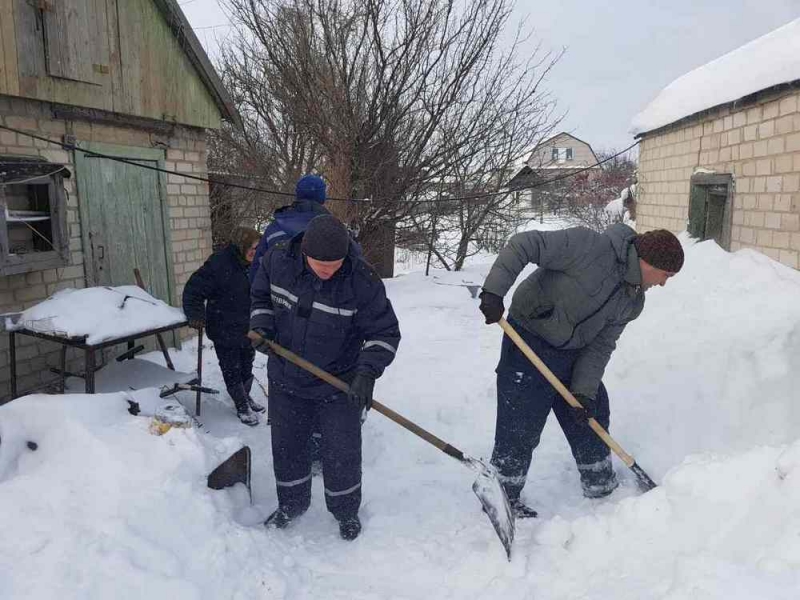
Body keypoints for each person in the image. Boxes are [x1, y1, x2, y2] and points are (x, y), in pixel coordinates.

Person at [478, 225, 683, 516]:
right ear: (649, 262)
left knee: (591, 412)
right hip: (529, 337)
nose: (663, 284)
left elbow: (601, 345)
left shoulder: (632, 300)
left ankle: (600, 484)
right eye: (666, 276)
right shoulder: (588, 246)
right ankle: (501, 494)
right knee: (521, 422)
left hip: (574, 350)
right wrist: (494, 291)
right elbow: (525, 243)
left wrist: (583, 392)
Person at [250, 214, 400, 540]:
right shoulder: (278, 261)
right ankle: (291, 505)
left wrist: (366, 374)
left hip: (338, 383)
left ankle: (345, 512)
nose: (328, 270)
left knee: (342, 453)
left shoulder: (361, 281)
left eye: (335, 264)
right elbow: (260, 296)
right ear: (304, 251)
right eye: (320, 263)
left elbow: (384, 333)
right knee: (287, 448)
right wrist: (262, 326)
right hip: (286, 378)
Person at [183, 227, 266, 426]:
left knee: (247, 364)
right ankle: (241, 405)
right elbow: (193, 289)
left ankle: (245, 397)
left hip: (247, 327)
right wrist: (195, 314)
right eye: (252, 248)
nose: (256, 252)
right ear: (241, 246)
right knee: (231, 368)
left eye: (258, 248)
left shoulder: (255, 265)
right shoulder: (219, 263)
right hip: (224, 327)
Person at [249, 174, 330, 282]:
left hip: (277, 295)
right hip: (318, 297)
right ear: (322, 198)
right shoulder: (332, 231)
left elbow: (257, 272)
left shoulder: (274, 229)